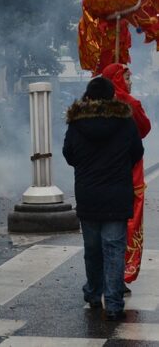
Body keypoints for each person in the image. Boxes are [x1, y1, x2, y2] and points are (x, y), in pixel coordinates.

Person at [62, 77, 143, 321]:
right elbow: (137, 153)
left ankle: (94, 293)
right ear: (112, 97)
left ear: (88, 97)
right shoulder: (125, 122)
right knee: (115, 249)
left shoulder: (76, 124)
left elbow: (69, 154)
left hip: (88, 194)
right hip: (117, 195)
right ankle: (115, 303)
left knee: (93, 248)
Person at [102, 63, 151, 288]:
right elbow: (145, 128)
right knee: (129, 222)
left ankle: (104, 276)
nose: (130, 82)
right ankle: (123, 272)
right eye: (127, 77)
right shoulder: (130, 104)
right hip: (129, 173)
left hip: (101, 175)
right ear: (118, 79)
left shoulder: (92, 104)